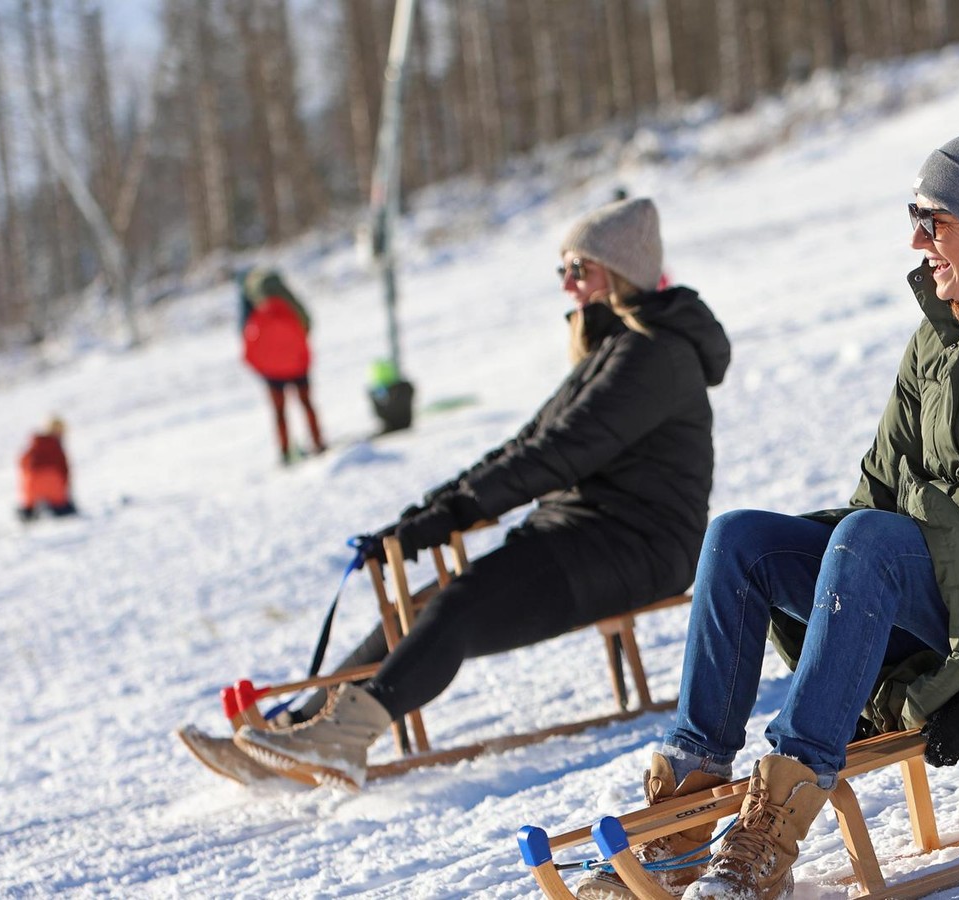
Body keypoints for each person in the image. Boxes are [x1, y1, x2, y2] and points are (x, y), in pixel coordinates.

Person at [577, 124, 959, 900]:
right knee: (742, 540)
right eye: (914, 218)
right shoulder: (942, 334)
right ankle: (686, 810)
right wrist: (847, 607)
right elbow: (880, 493)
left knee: (869, 540)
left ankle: (773, 829)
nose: (919, 241)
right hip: (938, 580)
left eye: (935, 220)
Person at [225, 197, 733, 789]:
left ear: (621, 272)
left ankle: (344, 737)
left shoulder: (655, 356)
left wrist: (450, 516)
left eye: (580, 270)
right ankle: (301, 726)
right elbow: (526, 442)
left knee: (459, 606)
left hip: (640, 547)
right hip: (582, 532)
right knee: (422, 604)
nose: (568, 286)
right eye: (562, 271)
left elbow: (558, 453)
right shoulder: (616, 347)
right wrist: (428, 512)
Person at [239, 267, 326, 463]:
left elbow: (248, 350)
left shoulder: (257, 312)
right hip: (299, 365)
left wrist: (263, 367)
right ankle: (318, 442)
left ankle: (285, 452)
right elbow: (308, 325)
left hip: (272, 373)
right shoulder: (291, 304)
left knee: (279, 413)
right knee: (307, 404)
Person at [18, 417, 78, 521]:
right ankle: (59, 510)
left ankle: (28, 513)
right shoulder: (56, 446)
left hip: (33, 481)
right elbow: (64, 469)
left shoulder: (36, 443)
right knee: (64, 507)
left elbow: (23, 461)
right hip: (53, 481)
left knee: (29, 504)